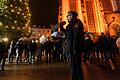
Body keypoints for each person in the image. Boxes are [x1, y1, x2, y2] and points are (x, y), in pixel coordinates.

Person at [60, 11, 85, 80]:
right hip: (72, 48)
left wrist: (74, 49)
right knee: (74, 66)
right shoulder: (71, 24)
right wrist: (61, 27)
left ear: (72, 16)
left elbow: (76, 37)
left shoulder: (76, 23)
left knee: (76, 66)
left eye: (68, 16)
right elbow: (68, 33)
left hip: (75, 49)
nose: (67, 17)